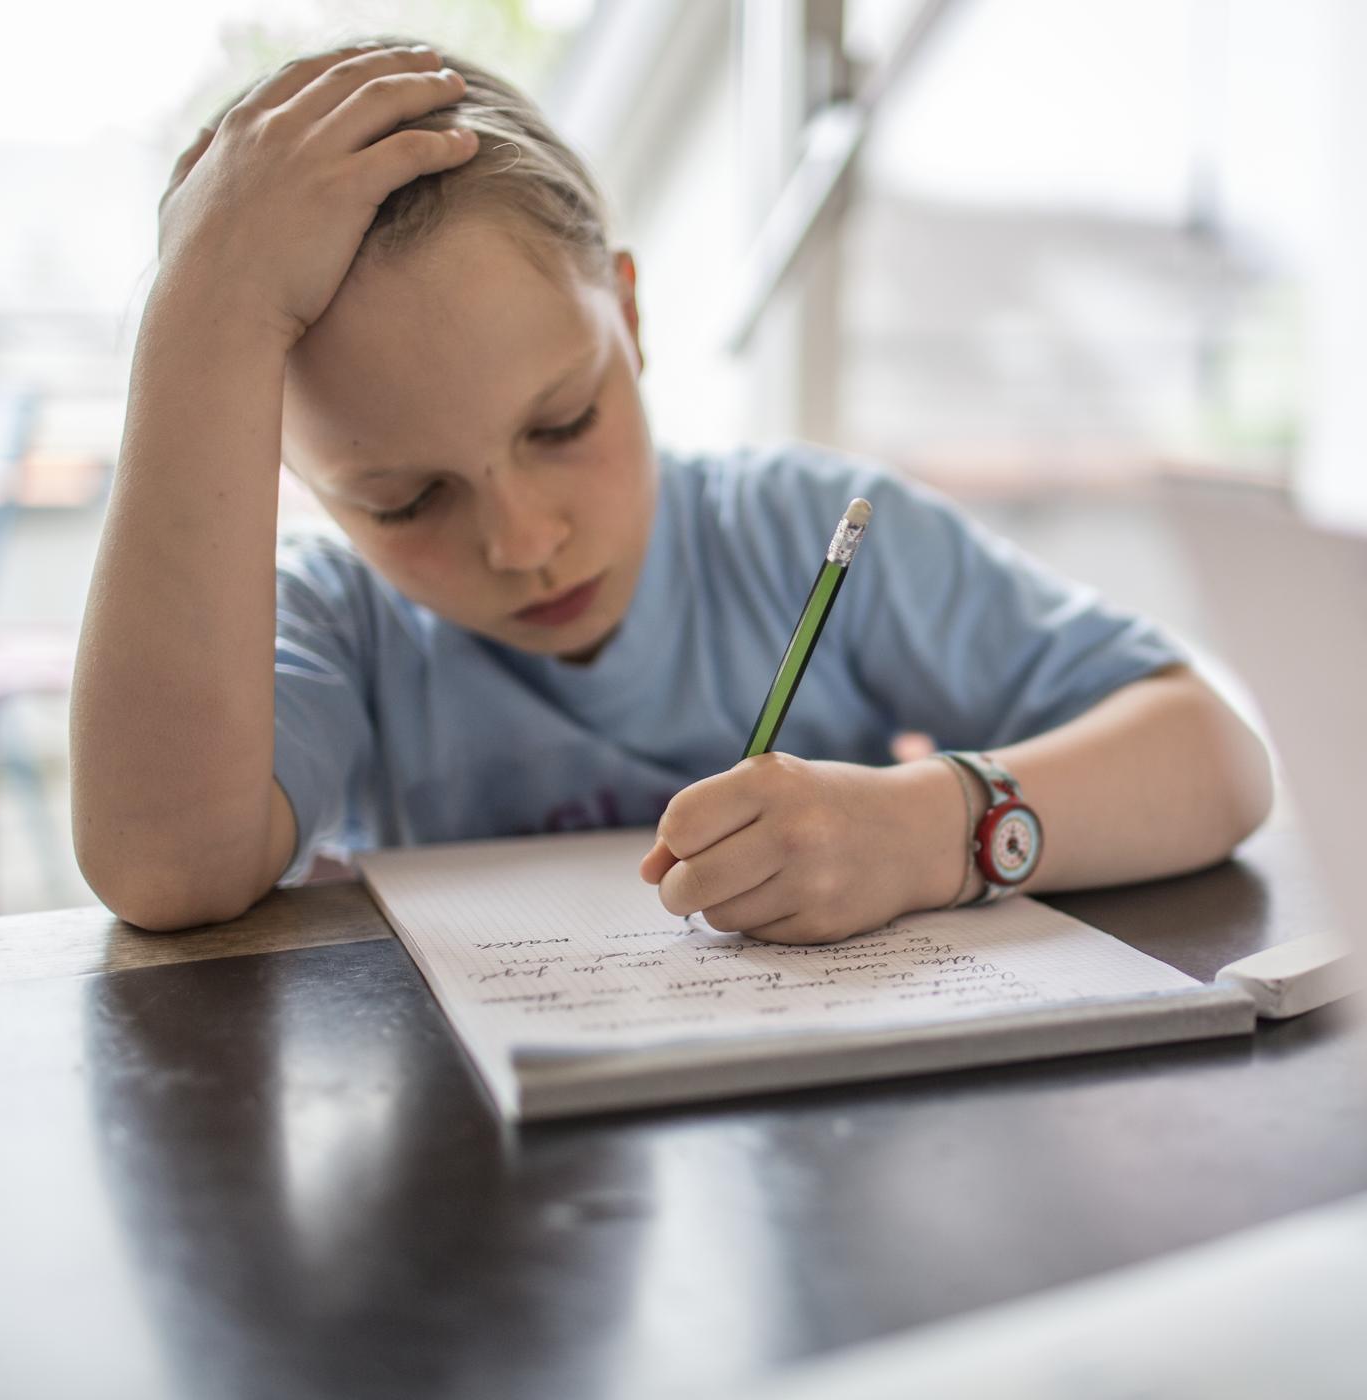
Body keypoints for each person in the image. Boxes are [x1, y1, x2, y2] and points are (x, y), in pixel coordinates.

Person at [70, 40, 1273, 942]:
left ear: (630, 315)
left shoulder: (801, 532)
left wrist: (927, 834)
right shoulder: (339, 626)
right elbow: (164, 864)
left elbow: (1215, 760)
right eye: (401, 500)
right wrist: (204, 319)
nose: (525, 540)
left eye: (562, 422)